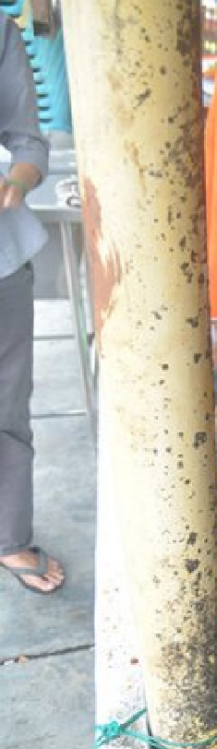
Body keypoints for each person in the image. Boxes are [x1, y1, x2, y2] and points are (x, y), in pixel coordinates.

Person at [0, 17, 63, 594]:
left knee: (7, 404)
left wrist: (16, 181)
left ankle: (9, 537)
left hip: (1, 254)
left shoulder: (0, 31)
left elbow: (27, 141)